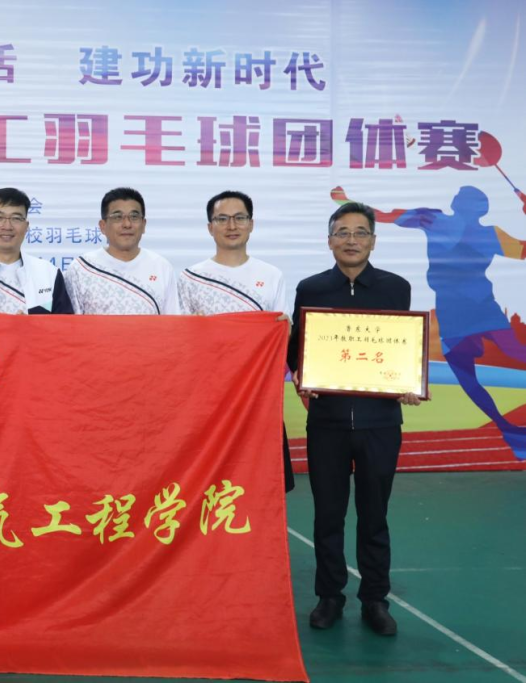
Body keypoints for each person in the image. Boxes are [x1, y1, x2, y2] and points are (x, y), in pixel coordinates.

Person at [287, 202, 423, 637]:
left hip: (380, 422)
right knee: (327, 516)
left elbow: (401, 348)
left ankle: (375, 600)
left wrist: (407, 382)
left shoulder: (395, 287)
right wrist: (301, 374)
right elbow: (296, 347)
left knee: (374, 515)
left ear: (373, 241)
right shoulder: (311, 288)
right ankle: (329, 597)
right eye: (342, 232)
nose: (351, 240)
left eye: (360, 232)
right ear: (329, 241)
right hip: (326, 422)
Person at [333, 185, 526, 458]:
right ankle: (508, 430)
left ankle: (508, 430)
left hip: (480, 307)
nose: (460, 200)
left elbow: (523, 251)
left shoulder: (480, 231)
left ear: (476, 208)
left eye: (467, 199)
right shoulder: (434, 218)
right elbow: (382, 216)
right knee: (468, 373)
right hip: (454, 312)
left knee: (506, 358)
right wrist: (346, 201)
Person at [179, 190, 293, 492]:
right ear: (210, 227)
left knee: (261, 485)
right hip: (208, 402)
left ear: (251, 224)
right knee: (208, 487)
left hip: (257, 400)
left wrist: (282, 330)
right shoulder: (191, 277)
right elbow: (183, 345)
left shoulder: (271, 275)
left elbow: (280, 341)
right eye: (222, 219)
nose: (232, 226)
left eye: (239, 218)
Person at [63, 187, 178, 315]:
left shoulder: (161, 267)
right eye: (117, 217)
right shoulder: (81, 269)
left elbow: (172, 323)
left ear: (144, 225)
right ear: (103, 226)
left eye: (134, 217)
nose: (127, 224)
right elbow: (69, 324)